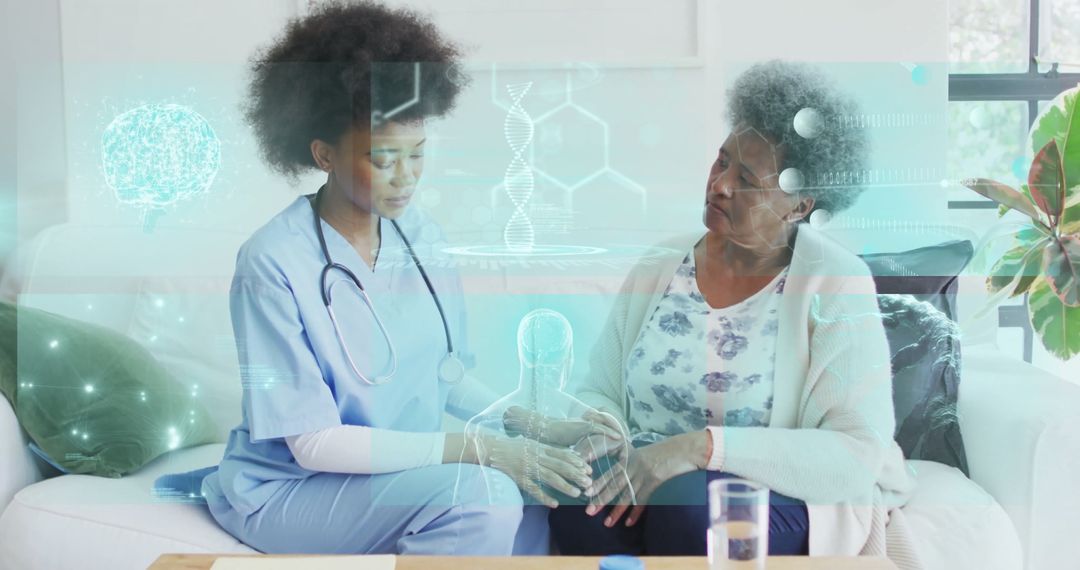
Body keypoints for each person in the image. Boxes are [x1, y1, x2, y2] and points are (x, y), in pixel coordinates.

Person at [192, 1, 609, 556]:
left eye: (417, 155)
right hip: (291, 487)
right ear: (324, 154)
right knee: (483, 493)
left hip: (386, 477)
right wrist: (479, 450)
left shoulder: (421, 236)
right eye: (384, 159)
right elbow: (313, 443)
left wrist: (531, 426)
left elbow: (446, 376)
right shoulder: (271, 263)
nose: (407, 178)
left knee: (538, 497)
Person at [548, 61, 922, 570]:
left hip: (777, 492)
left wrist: (700, 449)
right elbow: (599, 390)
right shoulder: (662, 263)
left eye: (746, 180)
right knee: (577, 504)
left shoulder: (836, 281)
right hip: (656, 478)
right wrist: (604, 436)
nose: (720, 185)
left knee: (689, 510)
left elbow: (856, 457)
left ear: (799, 205)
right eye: (721, 161)